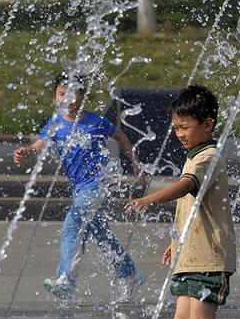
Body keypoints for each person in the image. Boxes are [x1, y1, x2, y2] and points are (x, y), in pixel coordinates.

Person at [127, 84, 236, 319]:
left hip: (210, 258)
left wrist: (150, 199)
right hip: (190, 255)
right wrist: (176, 242)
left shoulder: (208, 156)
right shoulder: (193, 156)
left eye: (185, 127)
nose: (178, 134)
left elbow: (189, 186)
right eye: (175, 127)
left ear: (208, 124)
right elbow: (190, 208)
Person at [13, 71, 145, 304]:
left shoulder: (96, 122)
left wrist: (135, 164)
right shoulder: (55, 124)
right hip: (81, 188)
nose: (70, 99)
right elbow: (39, 144)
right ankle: (128, 271)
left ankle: (66, 280)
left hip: (101, 183)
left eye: (75, 93)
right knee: (98, 231)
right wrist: (26, 151)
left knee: (74, 220)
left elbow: (121, 137)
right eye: (63, 94)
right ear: (55, 99)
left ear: (83, 96)